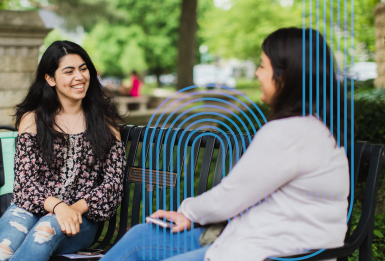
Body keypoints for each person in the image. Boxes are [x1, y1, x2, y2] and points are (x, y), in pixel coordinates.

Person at [100, 27, 351, 261]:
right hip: (258, 238)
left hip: (270, 251)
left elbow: (228, 198)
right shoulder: (318, 126)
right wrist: (192, 215)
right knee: (142, 236)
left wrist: (188, 211)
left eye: (263, 66)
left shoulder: (290, 132)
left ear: (285, 76)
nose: (257, 73)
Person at [0, 40, 126, 261]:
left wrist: (73, 209)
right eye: (68, 71)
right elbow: (24, 183)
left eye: (83, 69)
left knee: (46, 229)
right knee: (5, 246)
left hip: (81, 220)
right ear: (50, 79)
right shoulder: (33, 120)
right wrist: (59, 207)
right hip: (31, 209)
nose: (79, 77)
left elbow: (112, 185)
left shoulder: (104, 121)